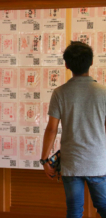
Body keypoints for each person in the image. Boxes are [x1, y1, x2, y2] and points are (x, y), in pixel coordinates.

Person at [40, 41, 106, 218]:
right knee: (104, 206)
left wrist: (45, 159)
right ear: (91, 62)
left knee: (75, 210)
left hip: (71, 163)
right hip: (98, 162)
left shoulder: (60, 93)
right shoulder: (103, 92)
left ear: (67, 64)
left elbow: (51, 129)